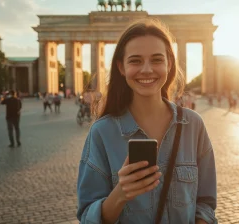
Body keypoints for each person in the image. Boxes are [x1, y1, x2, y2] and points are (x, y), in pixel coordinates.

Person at [76, 19, 218, 224]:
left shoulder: (193, 125)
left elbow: (205, 203)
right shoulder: (102, 133)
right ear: (121, 67)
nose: (147, 69)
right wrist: (120, 194)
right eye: (135, 60)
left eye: (157, 60)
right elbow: (87, 217)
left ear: (169, 64)